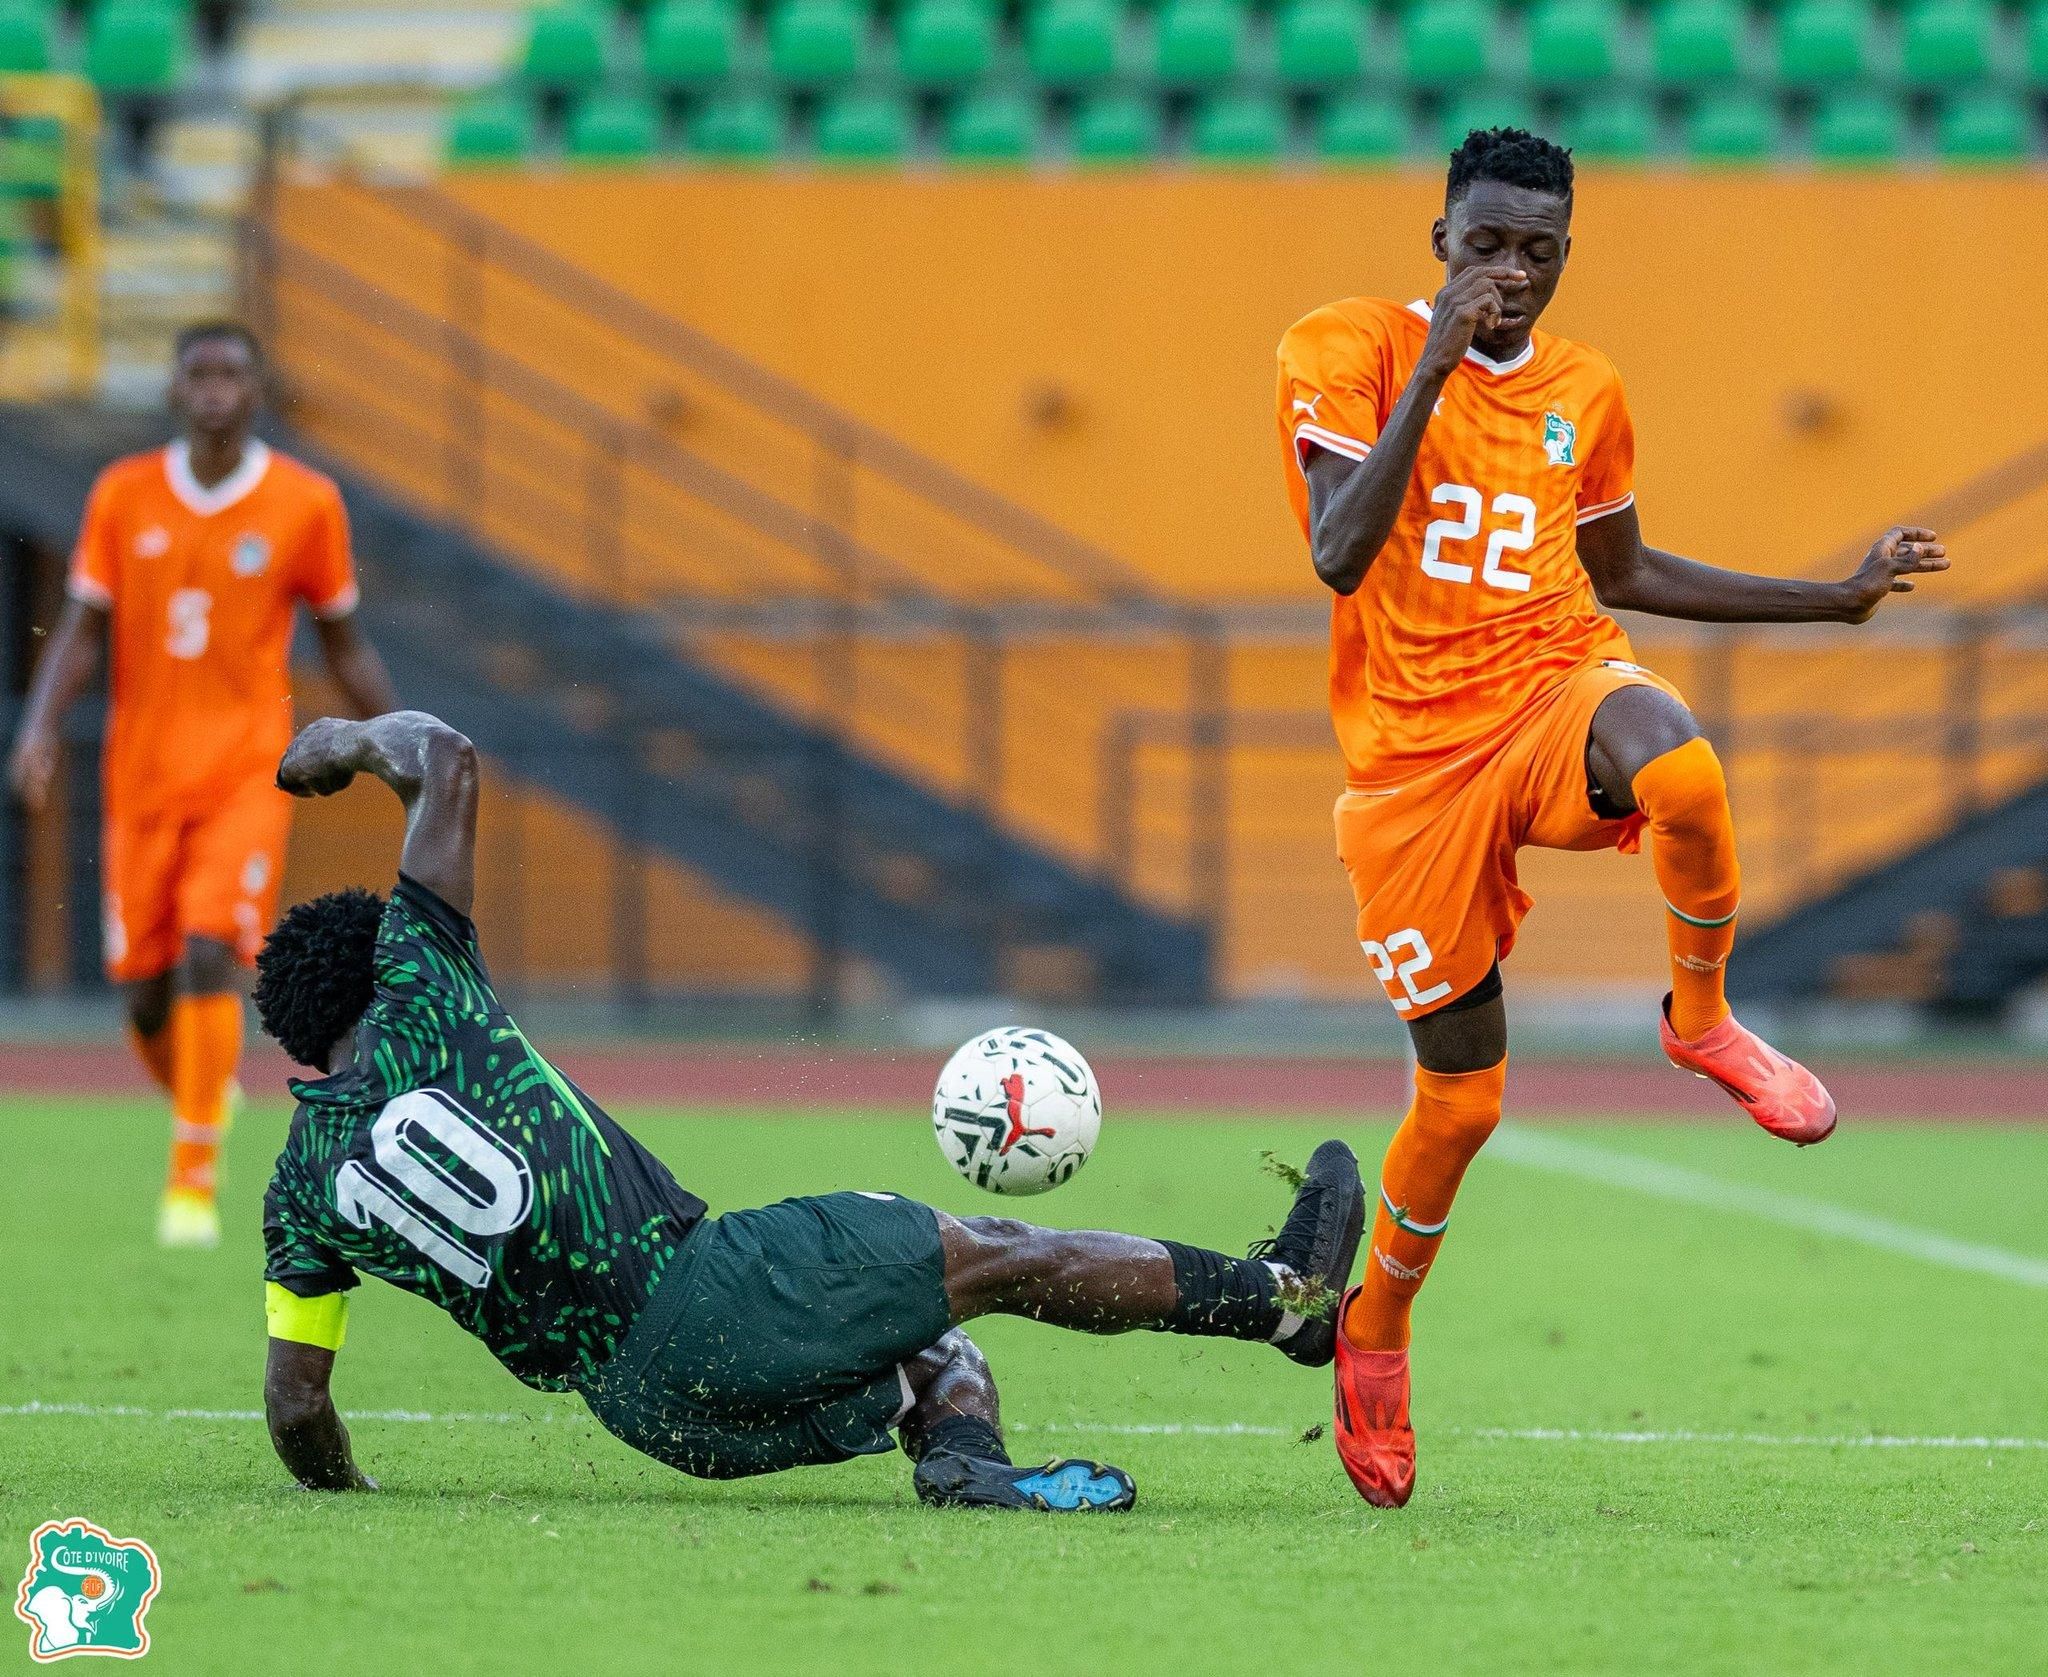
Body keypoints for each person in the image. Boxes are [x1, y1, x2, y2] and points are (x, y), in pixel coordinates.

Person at [1273, 127, 1950, 1508]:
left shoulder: (1589, 388)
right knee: (1463, 1100)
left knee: (1683, 764)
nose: (1511, 273)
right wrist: (1442, 371)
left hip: (1549, 684)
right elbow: (1340, 554)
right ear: (1439, 241)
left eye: (1538, 252)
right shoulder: (1344, 347)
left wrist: (1835, 596)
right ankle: (1378, 1331)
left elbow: (1623, 567)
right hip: (1412, 770)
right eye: (1486, 245)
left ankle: (1700, 1016)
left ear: (1567, 257)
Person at [254, 710, 1366, 1510]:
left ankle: (962, 1462)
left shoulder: (298, 1196)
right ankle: (1287, 1302)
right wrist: (343, 740)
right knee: (996, 1253)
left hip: (650, 1415)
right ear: (377, 959)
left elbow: (298, 1407)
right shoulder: (423, 992)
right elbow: (440, 756)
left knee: (932, 1345)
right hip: (702, 1292)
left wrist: (351, 1493)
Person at [6, 321, 398, 1249]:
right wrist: (37, 723)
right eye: (199, 373)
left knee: (210, 943)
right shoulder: (123, 493)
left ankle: (191, 1179)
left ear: (257, 391)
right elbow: (81, 626)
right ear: (176, 390)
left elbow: (344, 640)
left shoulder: (305, 503)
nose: (215, 388)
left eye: (232, 373)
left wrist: (395, 739)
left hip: (245, 770)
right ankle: (202, 1091)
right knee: (144, 990)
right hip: (140, 776)